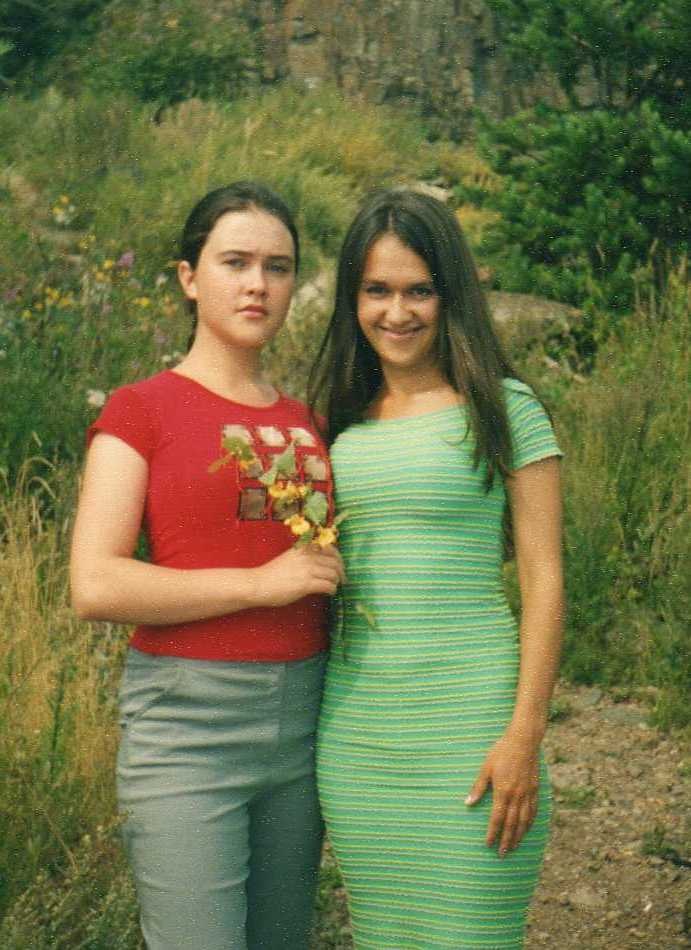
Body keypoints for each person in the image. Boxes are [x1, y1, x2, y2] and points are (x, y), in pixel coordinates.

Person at [70, 181, 345, 950]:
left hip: (305, 723)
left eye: (278, 267)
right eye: (235, 262)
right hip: (187, 729)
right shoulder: (141, 410)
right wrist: (258, 585)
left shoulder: (311, 422)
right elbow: (95, 583)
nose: (258, 284)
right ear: (189, 277)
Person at [309, 188, 564, 949]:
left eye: (418, 290)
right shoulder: (339, 421)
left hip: (472, 731)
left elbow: (544, 577)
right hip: (357, 737)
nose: (397, 312)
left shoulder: (505, 408)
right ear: (352, 298)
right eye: (376, 291)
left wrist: (523, 735)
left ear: (449, 293)